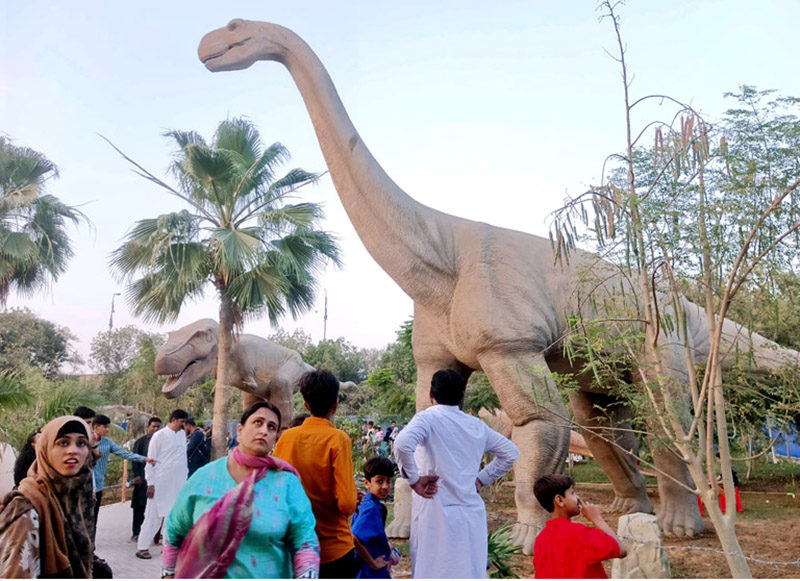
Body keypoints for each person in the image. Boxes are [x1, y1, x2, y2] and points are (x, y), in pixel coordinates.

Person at [162, 401, 320, 578]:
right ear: (240, 430)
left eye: (271, 427)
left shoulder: (287, 483)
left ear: (275, 438)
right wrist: (168, 574)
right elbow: (174, 530)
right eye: (258, 422)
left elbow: (305, 541)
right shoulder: (204, 477)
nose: (264, 431)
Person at [393, 369, 520, 579]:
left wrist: (414, 480)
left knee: (432, 570)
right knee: (467, 570)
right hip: (470, 513)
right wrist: (481, 479)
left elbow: (402, 443)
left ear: (430, 393)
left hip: (434, 512)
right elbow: (510, 452)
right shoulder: (475, 425)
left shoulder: (427, 419)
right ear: (462, 396)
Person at [273, 369, 359, 578]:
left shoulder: (286, 438)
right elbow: (347, 503)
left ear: (305, 405)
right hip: (333, 550)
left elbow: (277, 489)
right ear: (335, 405)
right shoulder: (338, 439)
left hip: (295, 547)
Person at [0, 416, 95, 578]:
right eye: (63, 443)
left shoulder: (78, 495)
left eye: (81, 443)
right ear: (45, 448)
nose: (73, 450)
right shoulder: (26, 508)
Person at [532, 474, 626, 579]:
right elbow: (621, 550)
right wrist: (596, 518)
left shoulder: (541, 538)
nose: (577, 498)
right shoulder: (578, 533)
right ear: (559, 500)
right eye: (572, 493)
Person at [135, 409, 189, 560]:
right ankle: (142, 547)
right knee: (153, 516)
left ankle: (168, 548)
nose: (183, 425)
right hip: (160, 483)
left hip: (178, 483)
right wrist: (150, 483)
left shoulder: (181, 435)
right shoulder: (159, 436)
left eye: (184, 422)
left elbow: (182, 459)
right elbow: (150, 461)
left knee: (173, 517)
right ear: (173, 420)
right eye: (181, 422)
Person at [91, 414, 154, 537]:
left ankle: (90, 547)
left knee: (94, 517)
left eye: (108, 427)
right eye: (105, 427)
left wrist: (144, 459)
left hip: (98, 484)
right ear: (96, 427)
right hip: (85, 484)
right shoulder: (84, 441)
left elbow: (125, 454)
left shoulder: (107, 443)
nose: (108, 430)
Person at [352, 457, 400, 579]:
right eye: (379, 481)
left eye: (388, 481)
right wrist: (372, 562)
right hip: (370, 572)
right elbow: (354, 537)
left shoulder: (366, 502)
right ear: (367, 483)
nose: (385, 486)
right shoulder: (371, 508)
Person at [131, 416, 161, 541]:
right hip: (142, 479)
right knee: (140, 506)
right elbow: (134, 458)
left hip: (158, 479)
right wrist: (137, 475)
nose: (155, 429)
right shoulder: (141, 442)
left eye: (158, 427)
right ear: (148, 427)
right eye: (153, 426)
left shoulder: (162, 441)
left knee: (157, 507)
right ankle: (137, 532)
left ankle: (155, 534)